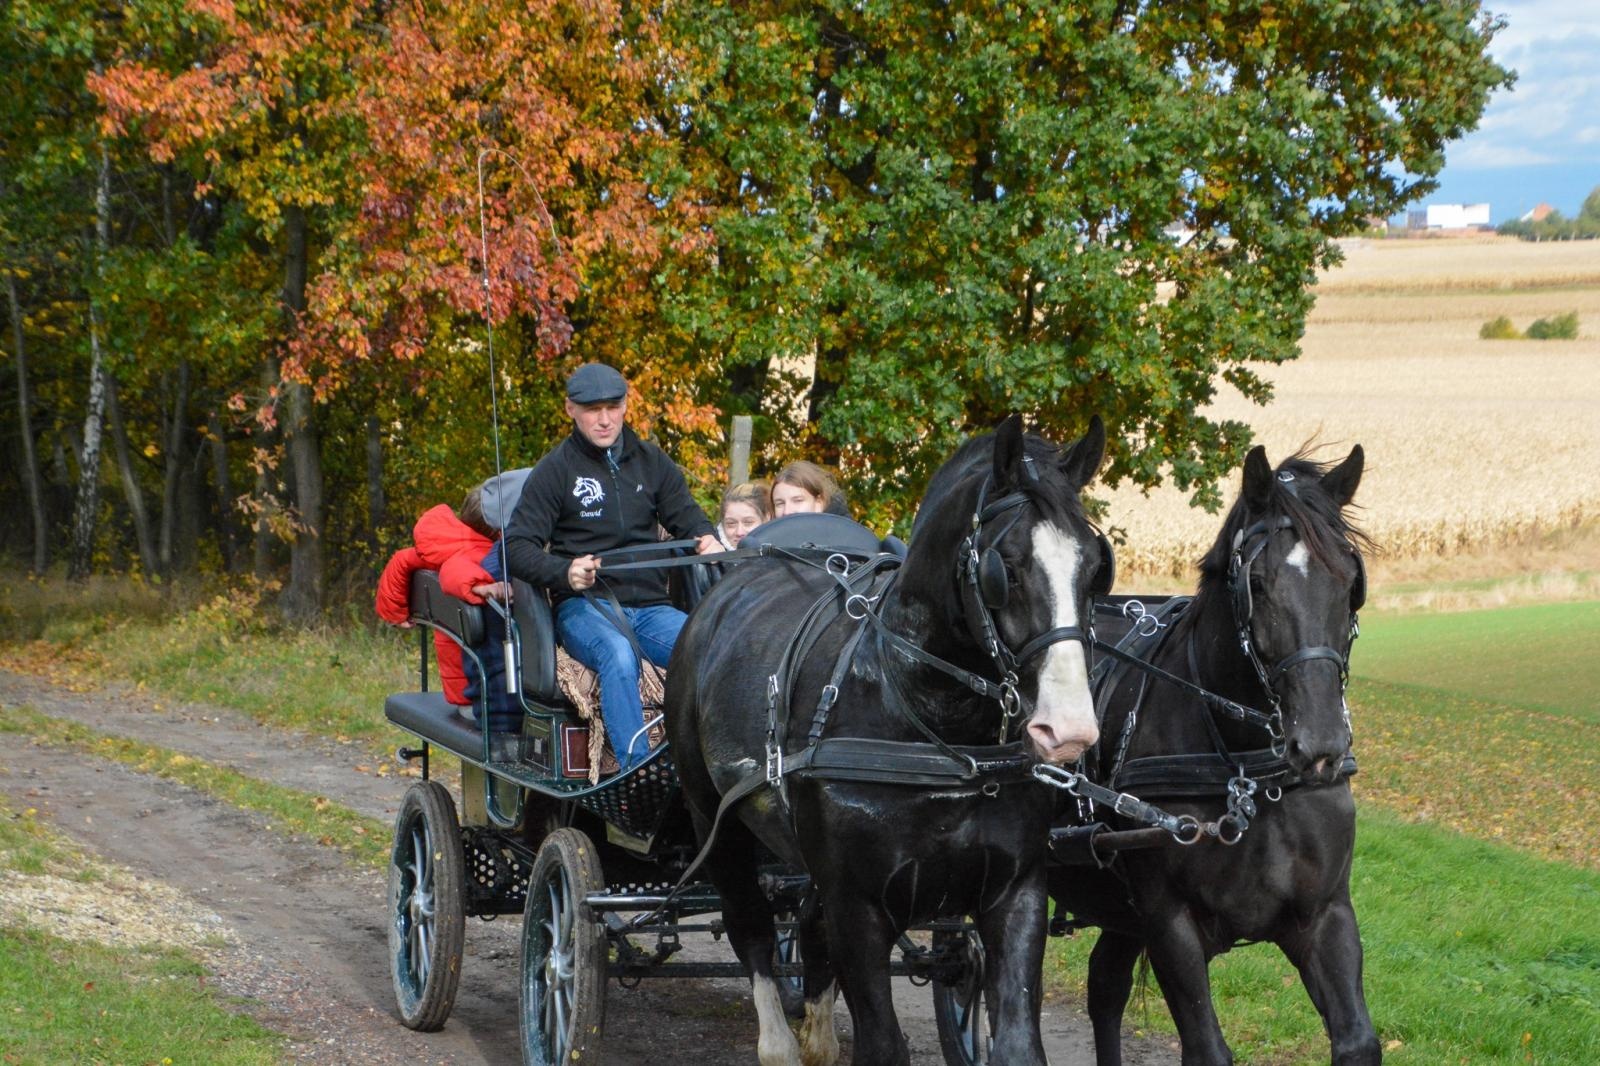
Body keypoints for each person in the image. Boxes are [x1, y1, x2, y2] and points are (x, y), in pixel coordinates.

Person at [502, 363, 721, 770]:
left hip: (652, 607)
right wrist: (565, 572)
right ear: (570, 409)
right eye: (592, 409)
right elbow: (516, 547)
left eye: (613, 407)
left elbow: (689, 519)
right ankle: (635, 770)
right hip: (585, 607)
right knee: (619, 655)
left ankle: (712, 763)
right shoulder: (556, 470)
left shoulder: (652, 462)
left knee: (713, 646)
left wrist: (707, 539)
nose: (604, 419)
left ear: (625, 406)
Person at [771, 459, 850, 517]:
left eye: (798, 500)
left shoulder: (847, 537)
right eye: (780, 503)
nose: (787, 511)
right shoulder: (766, 538)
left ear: (819, 503)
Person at [718, 481, 772, 548]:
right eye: (731, 523)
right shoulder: (710, 555)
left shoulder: (783, 554)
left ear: (766, 519)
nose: (739, 532)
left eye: (748, 522)